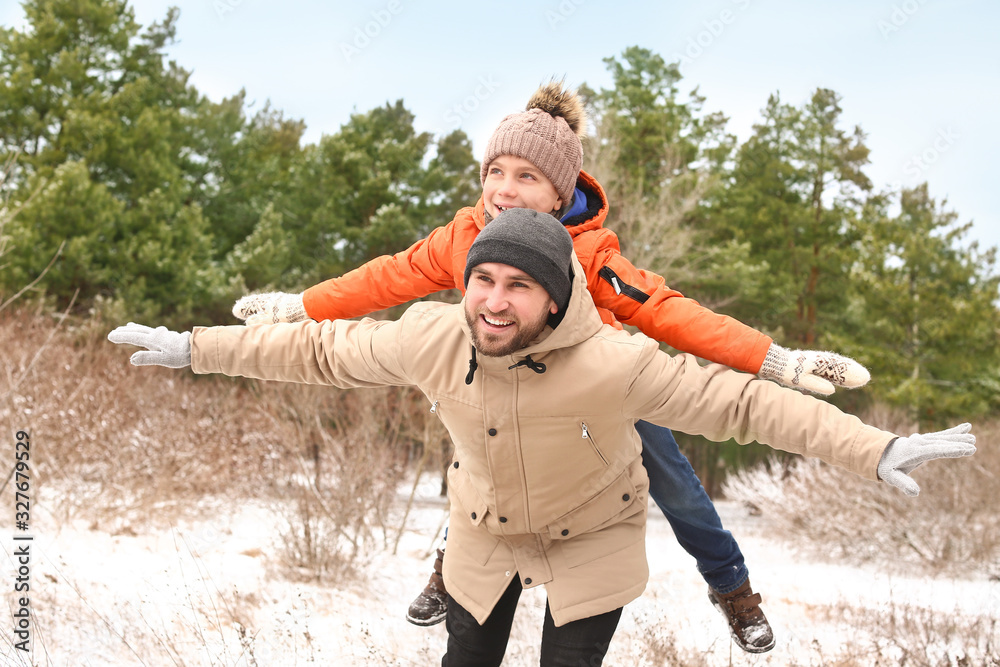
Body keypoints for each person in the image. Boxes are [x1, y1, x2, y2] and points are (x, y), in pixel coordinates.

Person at [108, 208, 976, 667]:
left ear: (555, 300)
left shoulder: (616, 363)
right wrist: (195, 348)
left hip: (592, 538)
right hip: (483, 534)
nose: (492, 299)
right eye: (481, 278)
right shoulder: (433, 335)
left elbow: (744, 405)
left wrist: (874, 448)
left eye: (518, 285)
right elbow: (321, 348)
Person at [228, 80, 869, 653]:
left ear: (560, 191)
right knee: (479, 465)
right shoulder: (463, 236)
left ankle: (732, 587)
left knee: (673, 482)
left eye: (527, 178)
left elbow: (669, 313)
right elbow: (388, 278)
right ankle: (451, 570)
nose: (505, 190)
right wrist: (300, 307)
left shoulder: (588, 253)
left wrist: (775, 361)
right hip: (497, 382)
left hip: (593, 393)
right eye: (495, 171)